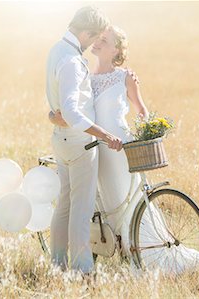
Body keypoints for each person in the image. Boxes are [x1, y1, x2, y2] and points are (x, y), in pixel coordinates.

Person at [50, 25, 199, 273]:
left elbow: (142, 111)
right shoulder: (86, 80)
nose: (99, 41)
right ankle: (118, 249)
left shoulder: (125, 77)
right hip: (98, 149)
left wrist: (146, 132)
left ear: (116, 50)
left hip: (121, 149)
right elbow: (75, 111)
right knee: (105, 204)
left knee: (130, 201)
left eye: (105, 39)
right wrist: (54, 117)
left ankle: (145, 252)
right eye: (99, 37)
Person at [45, 6, 123, 275]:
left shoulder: (56, 49)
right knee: (80, 212)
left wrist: (54, 115)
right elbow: (70, 109)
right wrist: (104, 134)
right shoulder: (72, 62)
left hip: (62, 141)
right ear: (86, 32)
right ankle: (83, 272)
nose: (93, 44)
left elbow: (58, 108)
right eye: (93, 38)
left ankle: (57, 266)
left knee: (64, 207)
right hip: (80, 145)